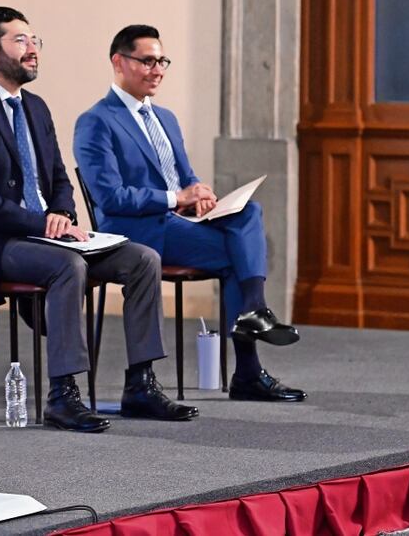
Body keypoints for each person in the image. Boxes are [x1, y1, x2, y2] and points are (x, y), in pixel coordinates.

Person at [0, 7, 198, 433]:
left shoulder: (36, 107)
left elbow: (58, 177)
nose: (32, 49)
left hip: (49, 234)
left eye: (34, 40)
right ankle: (63, 395)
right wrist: (40, 224)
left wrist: (61, 213)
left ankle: (140, 385)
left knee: (143, 259)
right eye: (20, 40)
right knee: (68, 265)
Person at [73, 24, 306, 403]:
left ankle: (254, 311)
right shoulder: (96, 121)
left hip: (179, 221)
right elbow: (110, 197)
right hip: (137, 231)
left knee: (249, 212)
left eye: (161, 61)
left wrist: (200, 194)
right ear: (118, 62)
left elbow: (185, 176)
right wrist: (175, 197)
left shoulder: (165, 118)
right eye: (147, 61)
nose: (157, 70)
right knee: (235, 256)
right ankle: (249, 361)